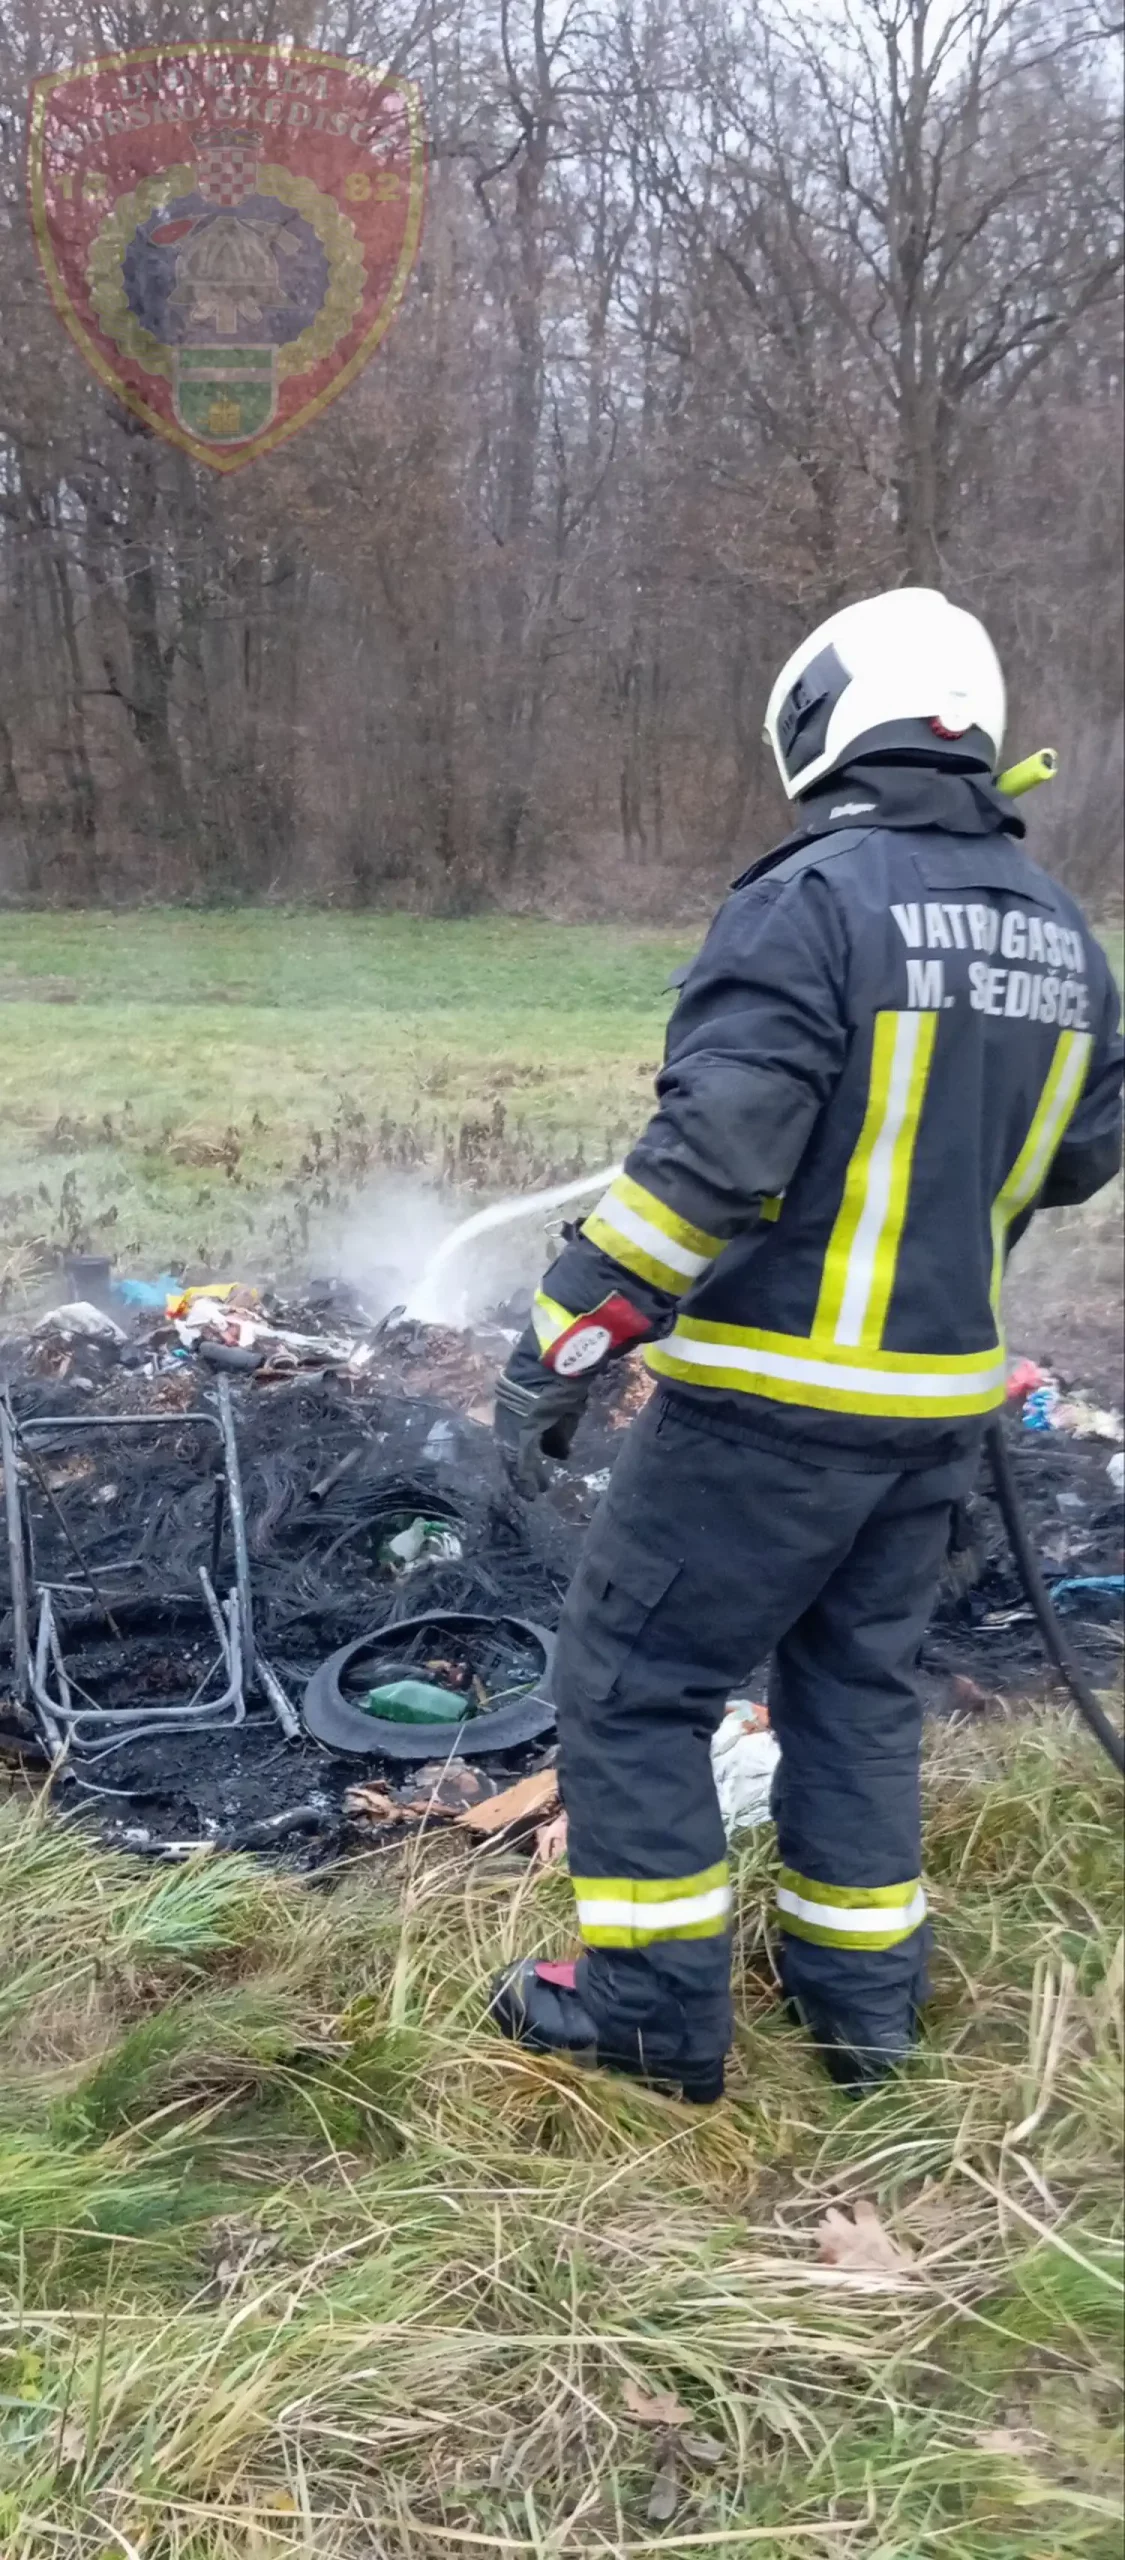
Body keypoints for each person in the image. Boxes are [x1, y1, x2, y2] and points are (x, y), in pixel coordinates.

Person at [490, 587, 1124, 2103]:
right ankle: (861, 2009)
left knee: (633, 1684)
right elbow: (1083, 1153)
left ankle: (647, 2008)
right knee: (855, 1694)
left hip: (766, 1411)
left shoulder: (812, 897)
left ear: (830, 718)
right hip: (935, 1415)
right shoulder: (1057, 931)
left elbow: (713, 1155)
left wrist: (571, 1327)